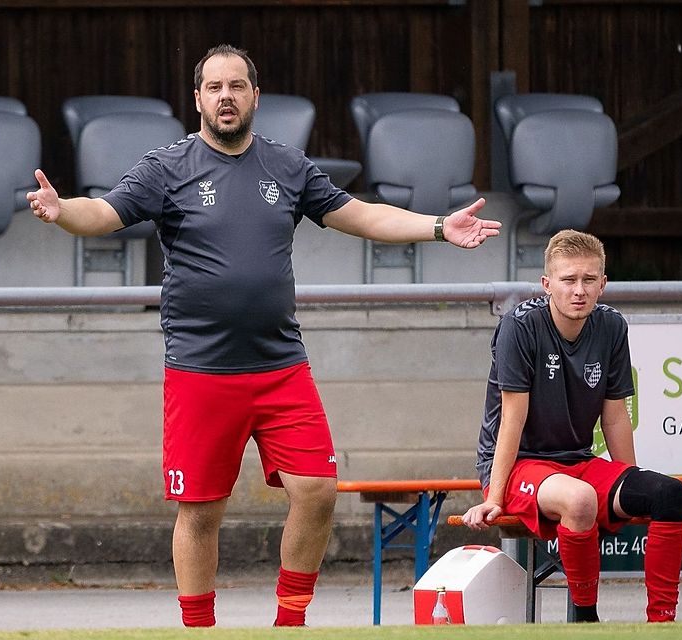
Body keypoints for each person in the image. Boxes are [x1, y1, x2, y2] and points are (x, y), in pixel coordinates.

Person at [27, 44, 501, 627]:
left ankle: (290, 623)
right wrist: (62, 210)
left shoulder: (288, 166)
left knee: (318, 490)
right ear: (197, 99)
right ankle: (199, 630)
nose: (225, 97)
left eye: (236, 86)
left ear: (255, 96)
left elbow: (362, 215)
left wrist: (438, 226)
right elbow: (102, 214)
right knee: (200, 512)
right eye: (214, 87)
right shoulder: (166, 168)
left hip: (281, 367)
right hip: (200, 371)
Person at [462, 230, 682, 623]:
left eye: (588, 280)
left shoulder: (612, 325)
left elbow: (615, 415)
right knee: (581, 500)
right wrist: (495, 496)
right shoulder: (520, 325)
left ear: (603, 284)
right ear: (547, 284)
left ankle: (662, 622)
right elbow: (512, 417)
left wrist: (627, 479)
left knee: (670, 494)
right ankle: (586, 620)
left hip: (577, 464)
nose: (579, 290)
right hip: (519, 466)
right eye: (568, 280)